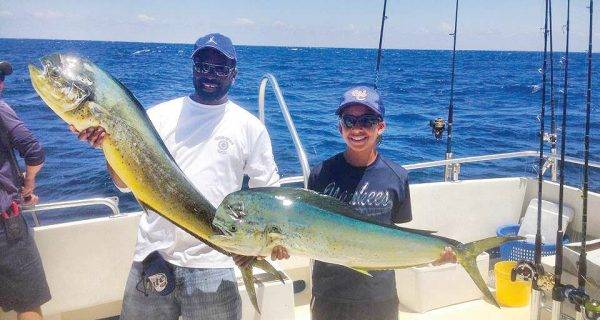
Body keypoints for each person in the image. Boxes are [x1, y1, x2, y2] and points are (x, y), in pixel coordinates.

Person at [71, 34, 288, 320]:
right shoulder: (157, 117)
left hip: (213, 260)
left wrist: (266, 243)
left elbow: (267, 193)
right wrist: (106, 147)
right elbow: (124, 183)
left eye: (220, 68)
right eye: (203, 65)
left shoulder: (249, 126)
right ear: (193, 67)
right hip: (152, 256)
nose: (210, 73)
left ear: (234, 75)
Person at [308, 85, 456, 320]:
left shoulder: (397, 176)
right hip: (330, 293)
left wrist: (433, 254)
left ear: (380, 127)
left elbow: (395, 234)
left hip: (379, 294)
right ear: (340, 127)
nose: (357, 128)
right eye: (349, 120)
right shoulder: (320, 174)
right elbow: (310, 229)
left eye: (366, 121)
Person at [0, 61, 50, 320]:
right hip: (4, 227)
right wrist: (28, 185)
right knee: (28, 303)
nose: (2, 83)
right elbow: (34, 150)